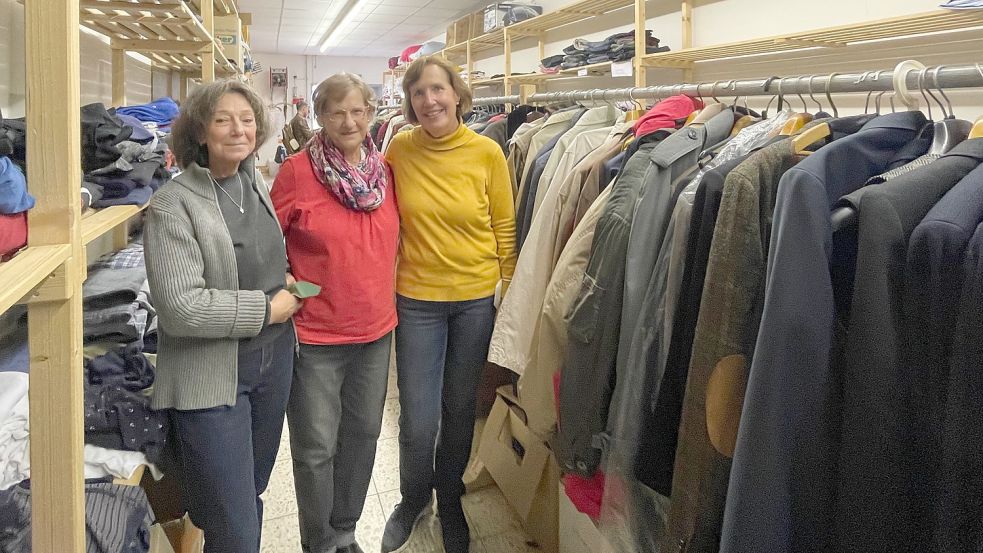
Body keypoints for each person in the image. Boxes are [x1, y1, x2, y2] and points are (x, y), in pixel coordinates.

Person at [144, 79, 301, 553]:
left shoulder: (254, 181)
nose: (239, 129)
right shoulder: (174, 203)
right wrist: (267, 309)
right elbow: (179, 307)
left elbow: (260, 255)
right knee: (231, 523)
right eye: (223, 120)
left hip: (273, 367)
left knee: (249, 496)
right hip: (213, 380)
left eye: (248, 119)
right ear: (199, 131)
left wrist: (288, 278)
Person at [381, 55, 517, 553]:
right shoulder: (398, 148)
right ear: (410, 103)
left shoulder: (487, 153)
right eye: (418, 93)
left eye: (437, 89)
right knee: (418, 417)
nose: (429, 100)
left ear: (457, 94)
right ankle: (412, 497)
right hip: (416, 300)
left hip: (475, 301)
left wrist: (510, 288)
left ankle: (450, 496)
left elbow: (504, 225)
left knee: (460, 408)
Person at [271, 73, 399, 553]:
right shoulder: (297, 172)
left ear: (371, 113)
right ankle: (318, 542)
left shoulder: (385, 170)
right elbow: (268, 247)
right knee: (315, 449)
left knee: (363, 436)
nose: (350, 121)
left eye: (358, 110)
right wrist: (290, 283)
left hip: (375, 330)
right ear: (319, 117)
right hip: (316, 336)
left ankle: (344, 531)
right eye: (337, 112)